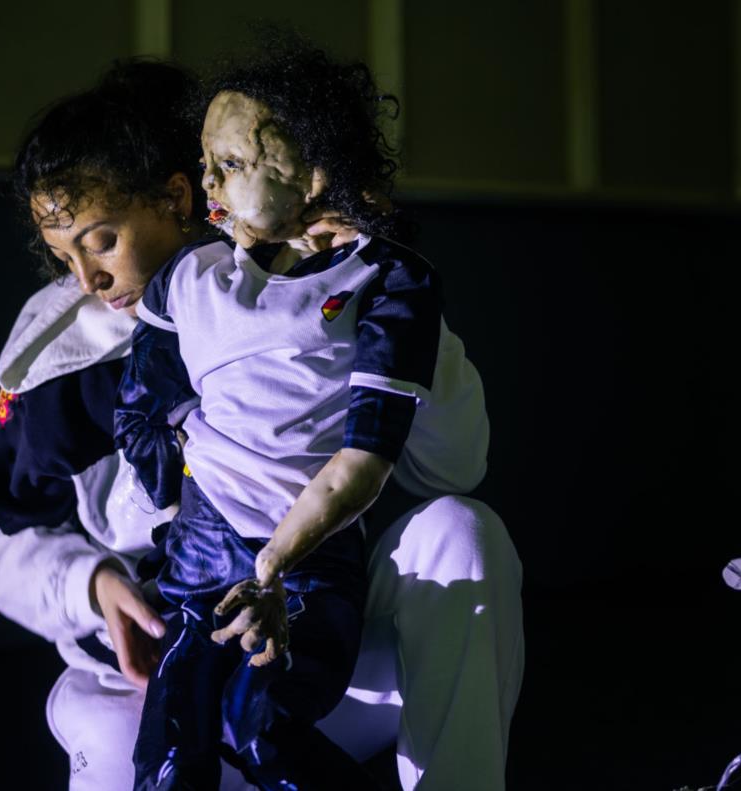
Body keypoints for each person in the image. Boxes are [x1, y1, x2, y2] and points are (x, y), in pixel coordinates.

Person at [0, 57, 524, 790]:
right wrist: (90, 583)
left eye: (102, 240)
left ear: (179, 196)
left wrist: (394, 297)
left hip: (310, 649)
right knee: (144, 749)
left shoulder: (327, 280)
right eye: (65, 253)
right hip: (146, 676)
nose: (86, 279)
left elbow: (454, 467)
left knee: (463, 529)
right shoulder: (64, 341)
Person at [108, 40, 487, 789]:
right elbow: (141, 411)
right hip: (199, 557)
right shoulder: (190, 274)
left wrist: (275, 565)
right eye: (205, 161)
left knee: (260, 732)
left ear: (311, 174)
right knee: (169, 754)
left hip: (307, 565)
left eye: (231, 164)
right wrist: (179, 513)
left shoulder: (388, 277)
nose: (207, 182)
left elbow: (366, 459)